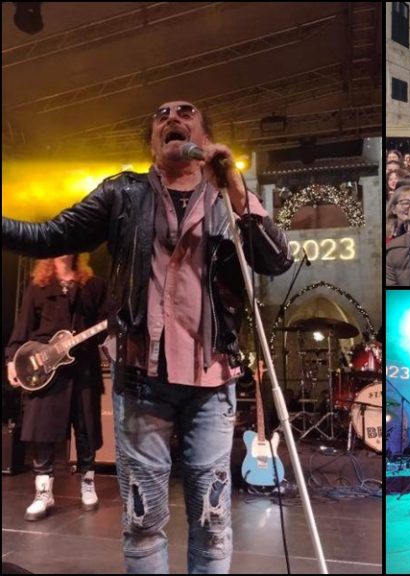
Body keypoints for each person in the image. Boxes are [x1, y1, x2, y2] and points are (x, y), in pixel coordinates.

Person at [2, 100, 294, 574]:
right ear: (152, 142)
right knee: (142, 521)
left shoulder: (228, 199)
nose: (172, 117)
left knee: (213, 520)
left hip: (213, 379)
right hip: (141, 378)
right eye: (162, 115)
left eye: (186, 111)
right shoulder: (124, 193)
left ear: (204, 134)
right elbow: (49, 235)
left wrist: (240, 195)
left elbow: (277, 262)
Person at [5, 254, 107, 521]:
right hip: (43, 367)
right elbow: (23, 327)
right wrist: (11, 361)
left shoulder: (93, 285)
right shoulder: (38, 286)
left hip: (82, 364)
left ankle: (87, 482)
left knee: (86, 425)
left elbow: (106, 324)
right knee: (42, 428)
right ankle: (43, 492)